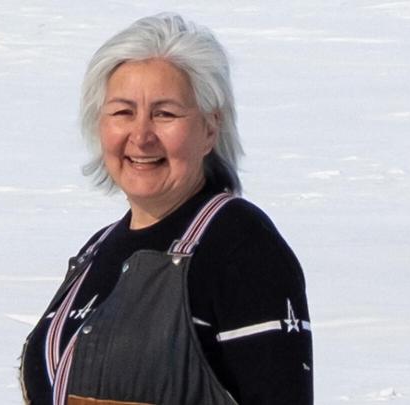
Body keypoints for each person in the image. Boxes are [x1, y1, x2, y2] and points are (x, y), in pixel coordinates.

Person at [20, 13, 313, 405]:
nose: (140, 137)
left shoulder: (239, 248)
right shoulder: (98, 250)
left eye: (165, 113)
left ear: (210, 128)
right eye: (123, 112)